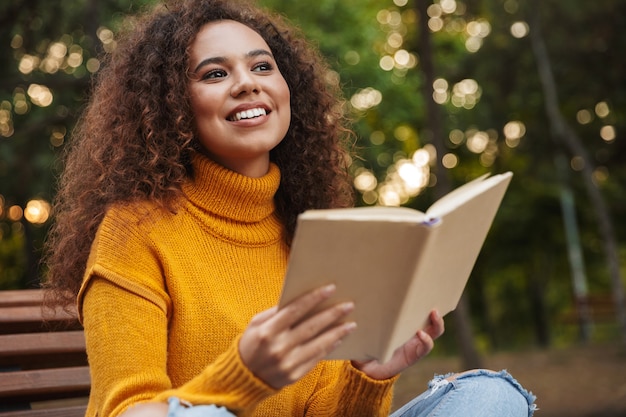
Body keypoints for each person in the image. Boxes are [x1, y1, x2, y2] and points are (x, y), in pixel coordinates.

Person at [43, 0, 537, 416]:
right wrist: (245, 376)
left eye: (262, 66)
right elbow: (123, 410)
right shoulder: (135, 230)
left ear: (287, 89)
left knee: (488, 396)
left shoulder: (310, 228)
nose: (247, 83)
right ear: (171, 103)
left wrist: (369, 376)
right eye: (215, 73)